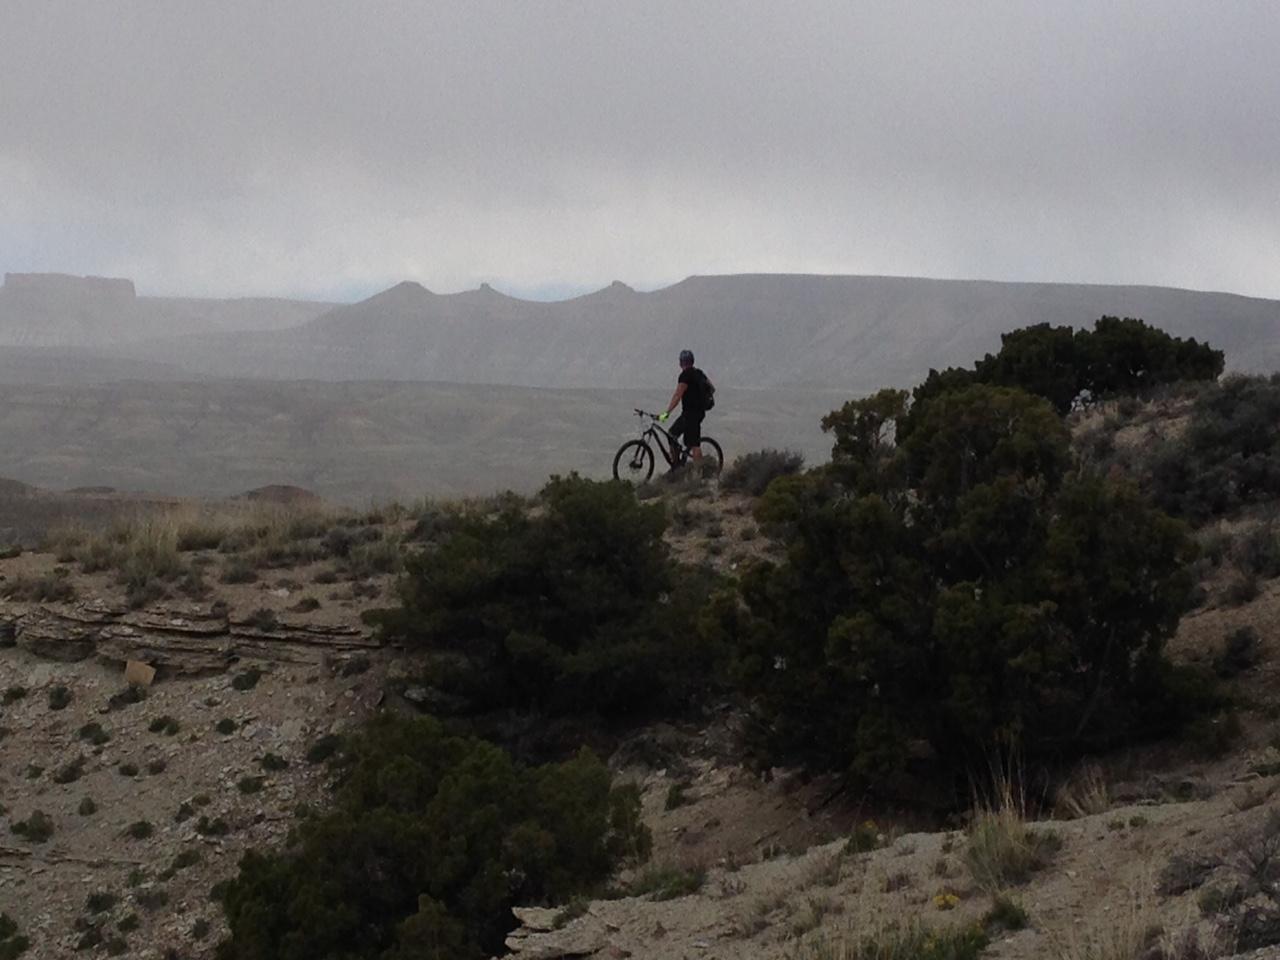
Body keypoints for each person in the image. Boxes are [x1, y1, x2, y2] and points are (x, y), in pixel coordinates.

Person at [659, 349, 708, 469]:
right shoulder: (699, 373)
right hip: (698, 412)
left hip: (690, 414)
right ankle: (677, 466)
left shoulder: (685, 375)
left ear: (681, 363)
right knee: (673, 434)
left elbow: (678, 395)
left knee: (694, 444)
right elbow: (711, 388)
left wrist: (666, 413)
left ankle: (698, 473)